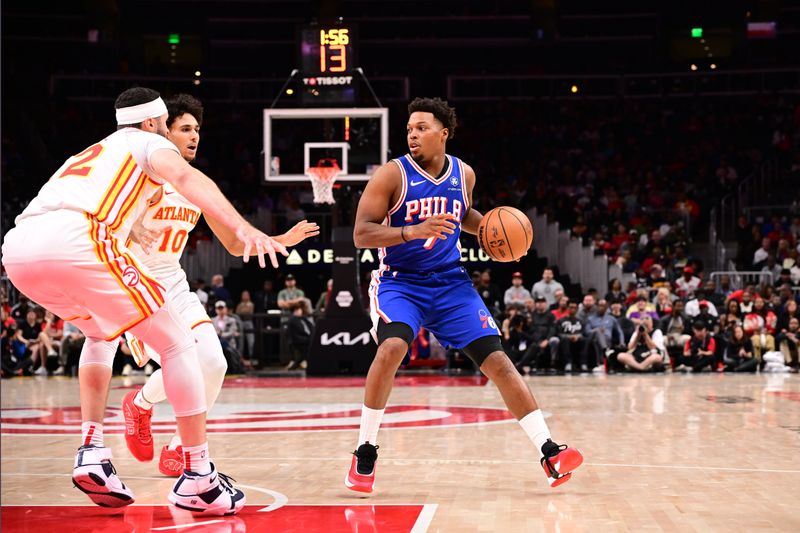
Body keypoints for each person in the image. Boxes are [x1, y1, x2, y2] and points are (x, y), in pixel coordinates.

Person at [1, 87, 289, 515]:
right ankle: (198, 478)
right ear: (156, 123)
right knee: (179, 345)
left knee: (98, 334)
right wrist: (244, 226)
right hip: (79, 242)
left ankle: (93, 451)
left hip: (20, 249)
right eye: (181, 127)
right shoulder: (150, 143)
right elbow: (189, 179)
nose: (190, 136)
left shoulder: (94, 150)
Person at [346, 97, 582, 494]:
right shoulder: (390, 175)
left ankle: (549, 451)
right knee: (391, 351)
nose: (413, 134)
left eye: (421, 127)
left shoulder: (463, 173)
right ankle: (365, 450)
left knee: (500, 364)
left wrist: (495, 230)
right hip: (400, 282)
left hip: (452, 283)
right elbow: (361, 233)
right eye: (409, 129)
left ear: (444, 133)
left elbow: (463, 215)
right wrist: (411, 231)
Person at [121, 94, 318, 479]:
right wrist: (130, 226)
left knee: (215, 363)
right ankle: (141, 403)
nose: (195, 137)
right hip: (133, 281)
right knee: (187, 361)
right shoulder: (136, 174)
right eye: (185, 129)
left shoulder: (195, 186)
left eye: (197, 130)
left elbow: (233, 243)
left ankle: (177, 443)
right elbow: (99, 218)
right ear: (162, 130)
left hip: (173, 279)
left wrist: (281, 240)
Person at [286, 298, 314, 370]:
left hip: (307, 340)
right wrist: (307, 339)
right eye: (297, 310)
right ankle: (295, 365)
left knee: (306, 352)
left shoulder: (304, 319)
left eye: (299, 309)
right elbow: (293, 335)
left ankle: (296, 365)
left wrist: (311, 338)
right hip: (299, 341)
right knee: (305, 353)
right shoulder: (292, 321)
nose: (299, 311)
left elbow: (311, 328)